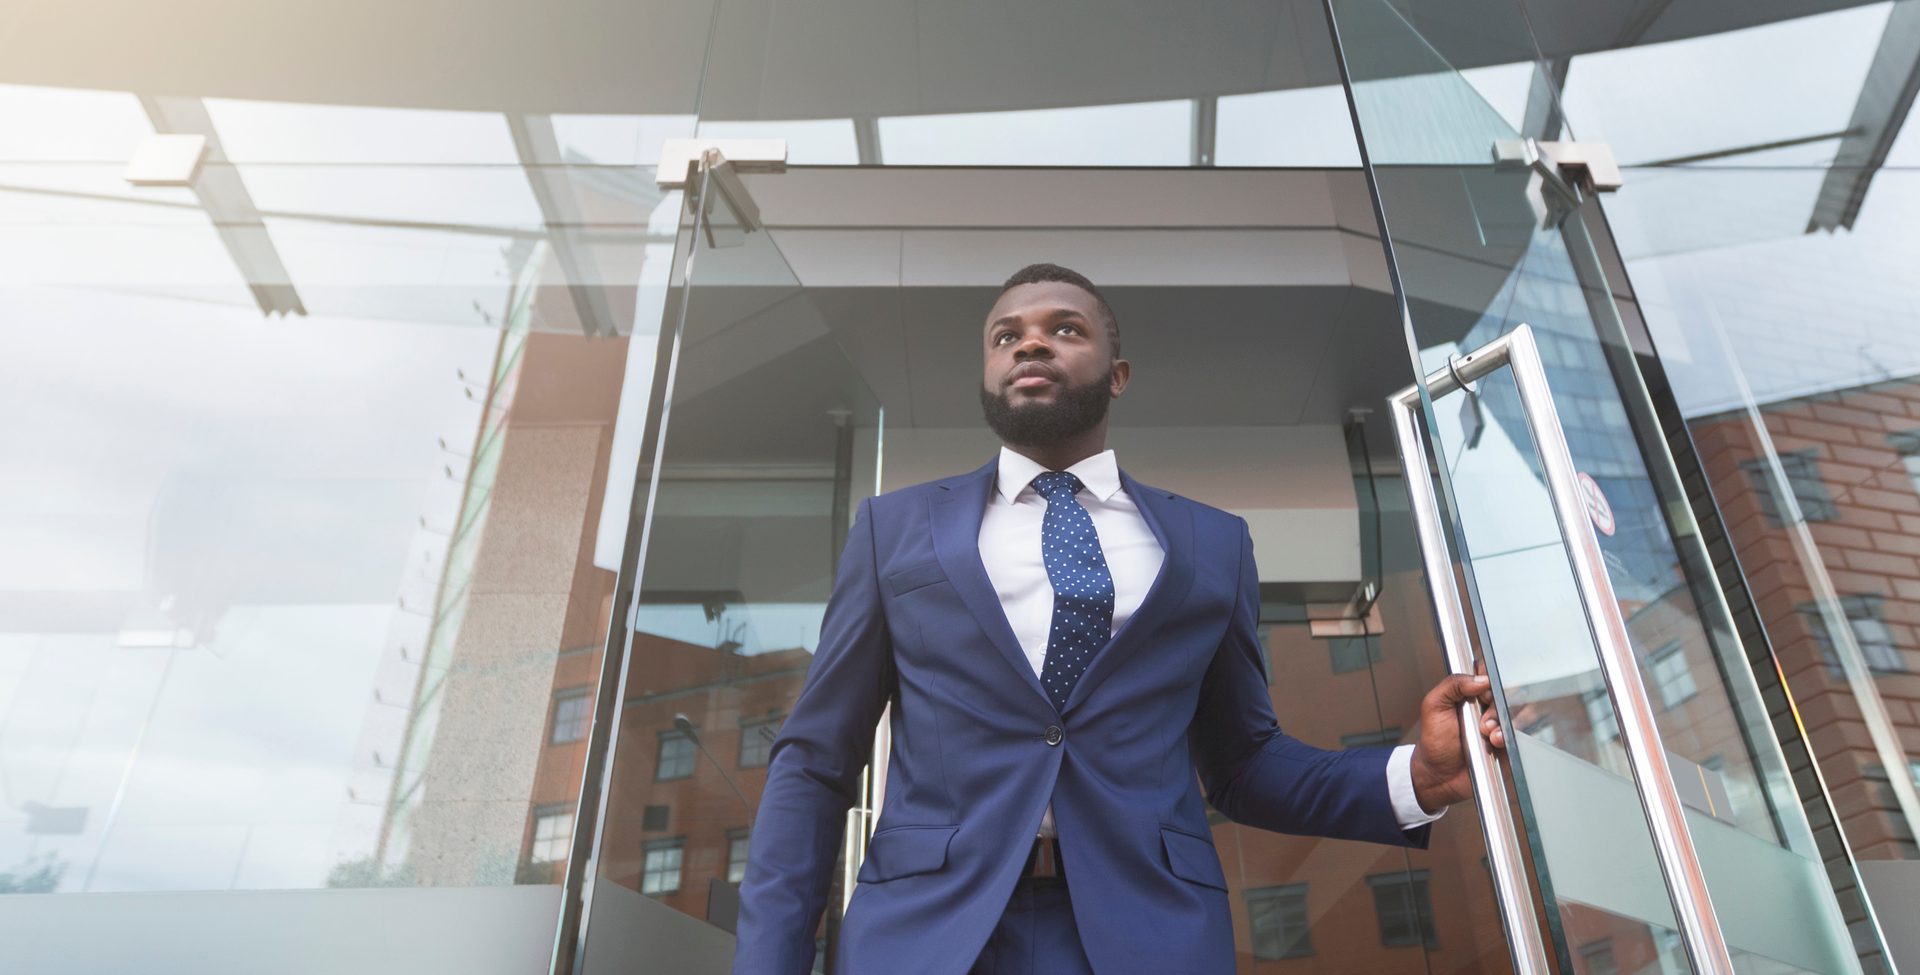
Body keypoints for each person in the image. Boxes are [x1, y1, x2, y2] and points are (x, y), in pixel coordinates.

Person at [733, 263, 1504, 974]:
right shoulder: (891, 530)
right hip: (926, 932)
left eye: (1066, 328)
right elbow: (814, 761)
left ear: (1119, 374)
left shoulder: (1213, 543)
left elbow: (1244, 763)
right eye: (1007, 335)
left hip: (1148, 932)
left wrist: (1418, 775)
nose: (1031, 340)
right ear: (987, 375)